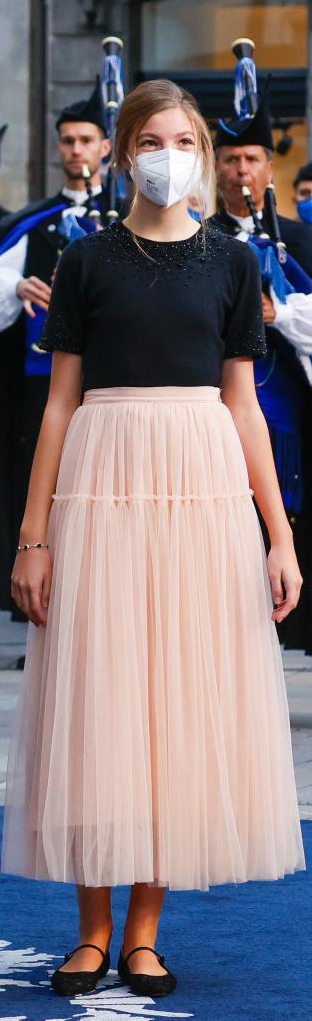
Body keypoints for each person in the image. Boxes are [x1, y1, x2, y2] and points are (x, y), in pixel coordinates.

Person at [4, 79, 305, 998]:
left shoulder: (233, 263)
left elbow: (246, 408)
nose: (167, 154)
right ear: (125, 150)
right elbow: (57, 406)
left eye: (183, 140)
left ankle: (144, 932)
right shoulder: (86, 258)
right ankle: (90, 931)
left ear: (203, 156)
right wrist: (32, 535)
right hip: (100, 483)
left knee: (174, 703)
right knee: (100, 698)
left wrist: (280, 535)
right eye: (151, 139)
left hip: (202, 489)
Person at [0, 84, 108, 612]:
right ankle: (49, 608)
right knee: (48, 493)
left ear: (105, 147)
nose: (75, 150)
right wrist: (18, 286)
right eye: (67, 141)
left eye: (85, 140)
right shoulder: (34, 225)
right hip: (41, 382)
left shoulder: (124, 219)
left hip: (115, 382)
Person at [205, 83, 312, 653]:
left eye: (250, 159)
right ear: (215, 167)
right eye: (230, 159)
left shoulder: (301, 238)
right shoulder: (200, 239)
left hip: (294, 404)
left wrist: (283, 311)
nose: (240, 170)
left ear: (270, 166)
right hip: (227, 406)